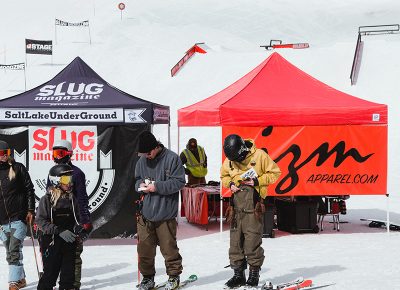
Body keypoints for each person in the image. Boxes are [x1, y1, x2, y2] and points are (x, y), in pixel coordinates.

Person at [220, 134, 281, 288]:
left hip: (253, 207)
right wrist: (231, 183)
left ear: (242, 150)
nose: (236, 162)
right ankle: (238, 275)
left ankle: (254, 275)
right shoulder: (230, 160)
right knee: (235, 244)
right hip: (236, 208)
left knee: (252, 242)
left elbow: (275, 173)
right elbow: (224, 176)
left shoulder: (260, 155)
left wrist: (257, 181)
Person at [135, 131, 186, 290]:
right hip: (146, 213)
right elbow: (136, 178)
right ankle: (147, 278)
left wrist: (157, 186)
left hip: (166, 214)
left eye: (148, 153)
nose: (146, 156)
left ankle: (173, 276)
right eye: (143, 154)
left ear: (156, 147)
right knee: (144, 250)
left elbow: (179, 182)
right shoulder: (142, 161)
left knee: (169, 248)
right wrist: (140, 185)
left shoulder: (172, 159)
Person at [47, 139, 92, 290]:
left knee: (73, 255)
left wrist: (84, 221)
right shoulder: (53, 173)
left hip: (72, 221)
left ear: (69, 154)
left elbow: (82, 199)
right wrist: (44, 219)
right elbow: (48, 198)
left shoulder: (77, 173)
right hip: (56, 222)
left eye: (60, 153)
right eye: (55, 153)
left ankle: (72, 285)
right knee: (54, 255)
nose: (57, 157)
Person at [36, 164, 86, 290]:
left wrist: (79, 229)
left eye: (70, 179)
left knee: (68, 277)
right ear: (56, 181)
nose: (69, 183)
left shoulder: (71, 198)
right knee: (50, 275)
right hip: (52, 242)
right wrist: (58, 230)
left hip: (69, 241)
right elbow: (41, 221)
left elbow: (77, 218)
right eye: (65, 180)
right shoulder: (47, 200)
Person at [0, 140, 35, 290]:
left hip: (18, 217)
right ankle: (21, 279)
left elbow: (29, 189)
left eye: (5, 153)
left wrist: (30, 210)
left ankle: (13, 282)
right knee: (10, 250)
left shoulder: (18, 168)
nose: (3, 156)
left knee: (14, 250)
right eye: (0, 154)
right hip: (2, 220)